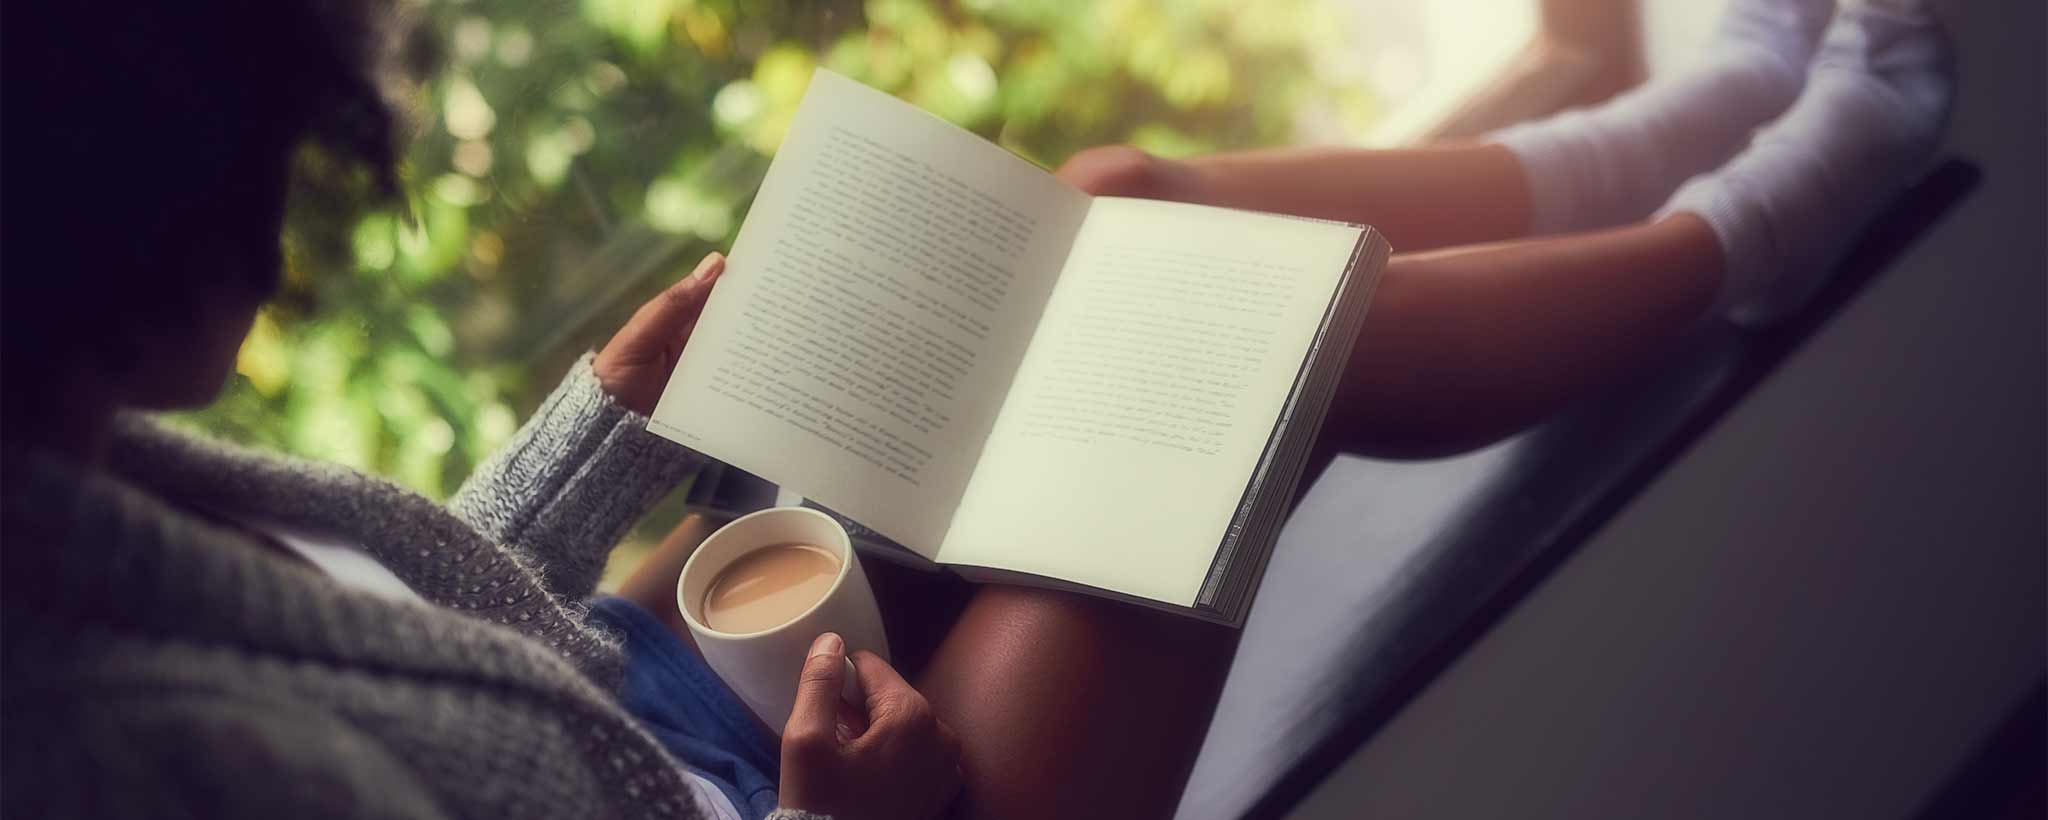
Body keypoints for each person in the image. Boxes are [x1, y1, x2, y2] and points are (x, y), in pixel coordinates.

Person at [0, 0, 1953, 818]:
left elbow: (390, 617)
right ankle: (1772, 221)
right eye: (257, 174)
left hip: (657, 695)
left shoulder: (72, 474)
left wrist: (612, 415)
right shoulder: (115, 751)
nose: (280, 231)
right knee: (1242, 349)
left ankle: (1675, 126)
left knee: (1102, 198)